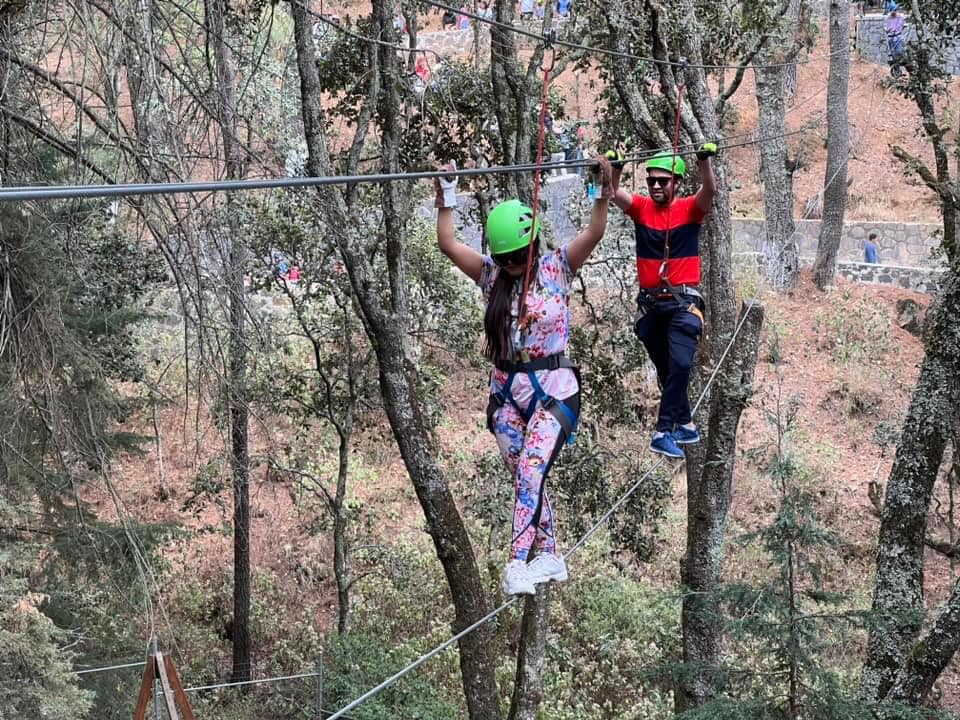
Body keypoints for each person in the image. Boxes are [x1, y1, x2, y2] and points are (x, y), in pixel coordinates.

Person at [434, 157, 613, 595]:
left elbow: (594, 233)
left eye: (517, 259)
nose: (513, 267)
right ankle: (549, 554)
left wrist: (600, 188)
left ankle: (518, 562)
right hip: (507, 396)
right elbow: (447, 243)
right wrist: (447, 191)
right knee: (524, 478)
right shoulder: (491, 276)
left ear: (532, 246)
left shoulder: (557, 267)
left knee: (532, 471)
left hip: (554, 391)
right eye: (506, 260)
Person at [608, 142, 717, 460]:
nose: (656, 186)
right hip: (652, 308)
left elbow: (709, 191)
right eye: (651, 180)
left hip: (683, 304)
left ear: (677, 183)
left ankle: (663, 431)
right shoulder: (642, 209)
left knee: (682, 363)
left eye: (663, 181)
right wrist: (616, 166)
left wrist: (704, 162)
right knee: (668, 370)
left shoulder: (689, 210)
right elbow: (613, 193)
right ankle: (684, 422)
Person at [885, 4, 905, 78]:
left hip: (898, 38)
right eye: (891, 11)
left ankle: (900, 68)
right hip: (890, 39)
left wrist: (892, 30)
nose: (892, 13)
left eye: (894, 11)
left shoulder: (901, 17)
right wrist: (888, 30)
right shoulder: (888, 18)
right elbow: (887, 28)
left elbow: (899, 27)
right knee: (893, 55)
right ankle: (897, 72)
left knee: (899, 52)